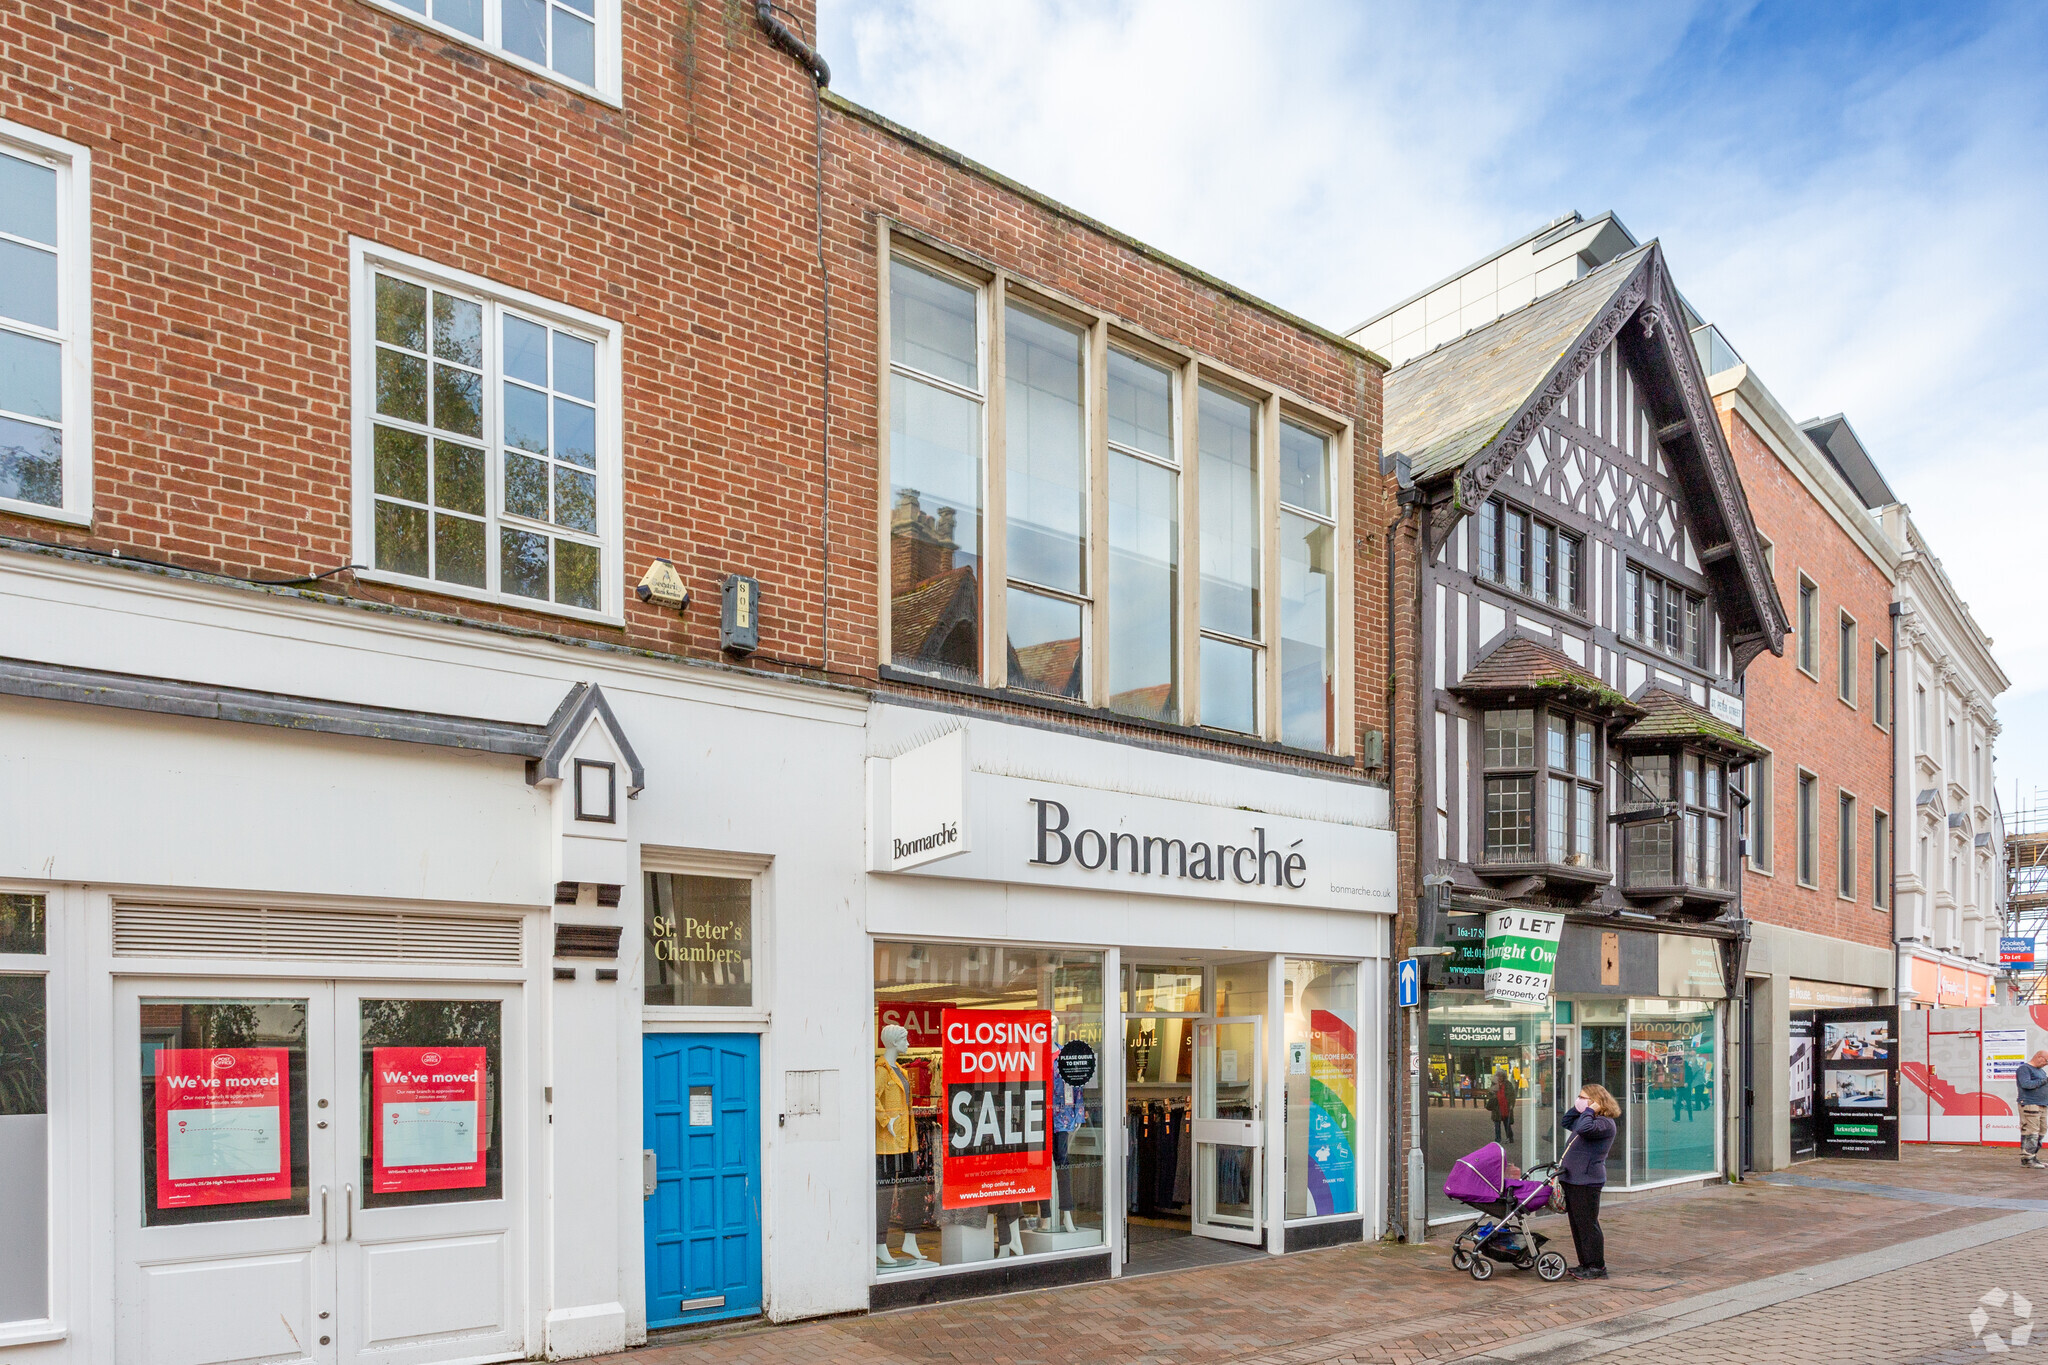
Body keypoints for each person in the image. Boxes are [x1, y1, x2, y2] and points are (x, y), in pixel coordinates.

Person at [1559, 1082, 1621, 1281]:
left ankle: (1596, 1266)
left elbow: (1584, 1128)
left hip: (1586, 1181)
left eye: (1583, 1097)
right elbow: (1566, 1121)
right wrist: (1580, 1108)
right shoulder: (1588, 1119)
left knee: (1588, 1224)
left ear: (1595, 1102)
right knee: (1578, 1225)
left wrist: (1589, 1111)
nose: (1579, 1100)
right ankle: (1585, 1263)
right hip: (1572, 1179)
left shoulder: (1604, 1123)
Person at [2017, 1051, 2048, 1169]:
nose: (2046, 1064)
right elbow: (2026, 1084)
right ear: (2039, 1057)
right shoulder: (2024, 1069)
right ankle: (2027, 1159)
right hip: (2030, 1104)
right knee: (2031, 1132)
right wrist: (2045, 1081)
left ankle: (2033, 1156)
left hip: (2042, 1104)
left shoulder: (2040, 1071)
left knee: (2042, 1130)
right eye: (2046, 1061)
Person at [1490, 1067, 1518, 1145]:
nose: (1499, 1078)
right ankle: (1497, 1139)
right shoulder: (1494, 1083)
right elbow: (1490, 1094)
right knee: (1497, 1124)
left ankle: (1510, 1137)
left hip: (1505, 1106)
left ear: (1504, 1077)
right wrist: (1493, 1096)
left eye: (1501, 1076)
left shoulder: (1508, 1084)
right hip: (1497, 1107)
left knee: (1507, 1123)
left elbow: (1512, 1095)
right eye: (1498, 1076)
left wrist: (1512, 1104)